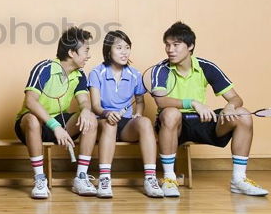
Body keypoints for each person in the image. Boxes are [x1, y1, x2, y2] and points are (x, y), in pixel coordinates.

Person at [149, 21, 268, 197]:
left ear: (190, 46)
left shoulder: (206, 67)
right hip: (174, 126)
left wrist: (230, 106)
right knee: (171, 113)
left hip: (202, 122)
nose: (170, 49)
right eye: (167, 45)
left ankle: (239, 179)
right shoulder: (161, 69)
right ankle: (169, 178)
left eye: (175, 45)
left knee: (242, 114)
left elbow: (236, 98)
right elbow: (160, 101)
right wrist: (193, 103)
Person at [15, 26, 98, 199]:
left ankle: (81, 177)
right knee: (31, 120)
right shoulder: (44, 68)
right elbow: (30, 101)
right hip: (33, 124)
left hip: (60, 123)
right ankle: (39, 179)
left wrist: (85, 110)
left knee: (90, 118)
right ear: (71, 53)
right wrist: (55, 126)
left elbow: (84, 100)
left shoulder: (80, 74)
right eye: (86, 50)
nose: (89, 55)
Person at [88, 30, 164, 198]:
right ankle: (105, 178)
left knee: (144, 122)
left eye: (127, 47)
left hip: (127, 124)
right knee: (110, 124)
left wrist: (138, 113)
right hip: (104, 122)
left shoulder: (135, 74)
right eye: (119, 47)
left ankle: (150, 178)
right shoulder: (96, 72)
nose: (124, 52)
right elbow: (94, 105)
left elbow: (140, 101)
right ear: (109, 50)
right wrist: (107, 113)